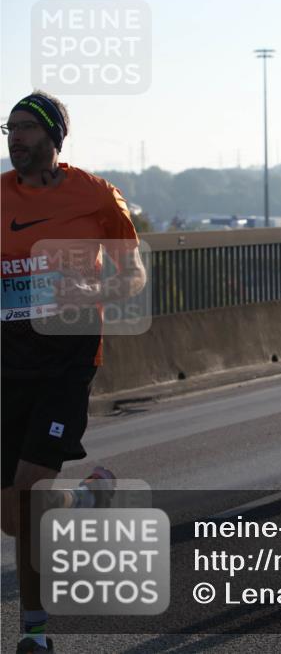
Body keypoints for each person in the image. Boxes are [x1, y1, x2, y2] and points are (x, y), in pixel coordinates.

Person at [1, 92, 147, 653]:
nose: (16, 139)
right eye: (9, 129)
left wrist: (92, 287)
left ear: (54, 138)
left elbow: (131, 277)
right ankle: (88, 500)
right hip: (8, 361)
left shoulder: (95, 195)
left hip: (66, 358)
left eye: (26, 129)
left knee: (31, 493)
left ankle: (33, 634)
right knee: (15, 519)